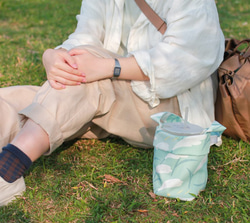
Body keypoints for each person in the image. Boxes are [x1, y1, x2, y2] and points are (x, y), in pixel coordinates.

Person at [0, 0, 225, 206]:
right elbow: (84, 38)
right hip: (107, 96)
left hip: (169, 111)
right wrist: (54, 56)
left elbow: (187, 58)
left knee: (85, 80)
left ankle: (9, 170)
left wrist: (108, 67)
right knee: (17, 99)